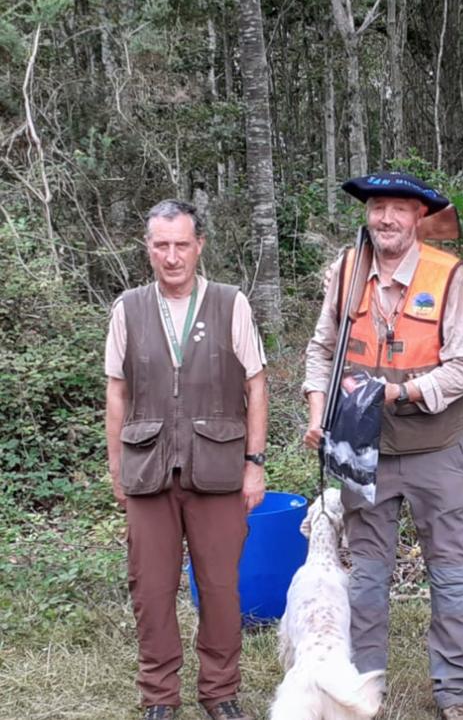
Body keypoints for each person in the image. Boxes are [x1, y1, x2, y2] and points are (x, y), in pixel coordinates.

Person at [302, 172, 463, 720]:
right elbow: (321, 349)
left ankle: (453, 693)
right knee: (369, 576)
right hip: (364, 449)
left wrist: (403, 392)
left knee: (450, 574)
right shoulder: (347, 271)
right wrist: (318, 414)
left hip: (437, 448)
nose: (387, 218)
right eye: (378, 207)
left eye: (399, 209)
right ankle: (364, 689)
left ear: (419, 218)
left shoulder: (448, 275)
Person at [105, 199, 268, 720]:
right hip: (147, 470)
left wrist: (255, 462)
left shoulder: (230, 302)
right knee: (151, 591)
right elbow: (117, 392)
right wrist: (116, 469)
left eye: (181, 245)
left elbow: (256, 386)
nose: (172, 256)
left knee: (220, 589)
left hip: (218, 470)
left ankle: (220, 692)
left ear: (199, 246)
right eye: (161, 246)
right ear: (148, 249)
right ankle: (159, 697)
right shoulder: (127, 307)